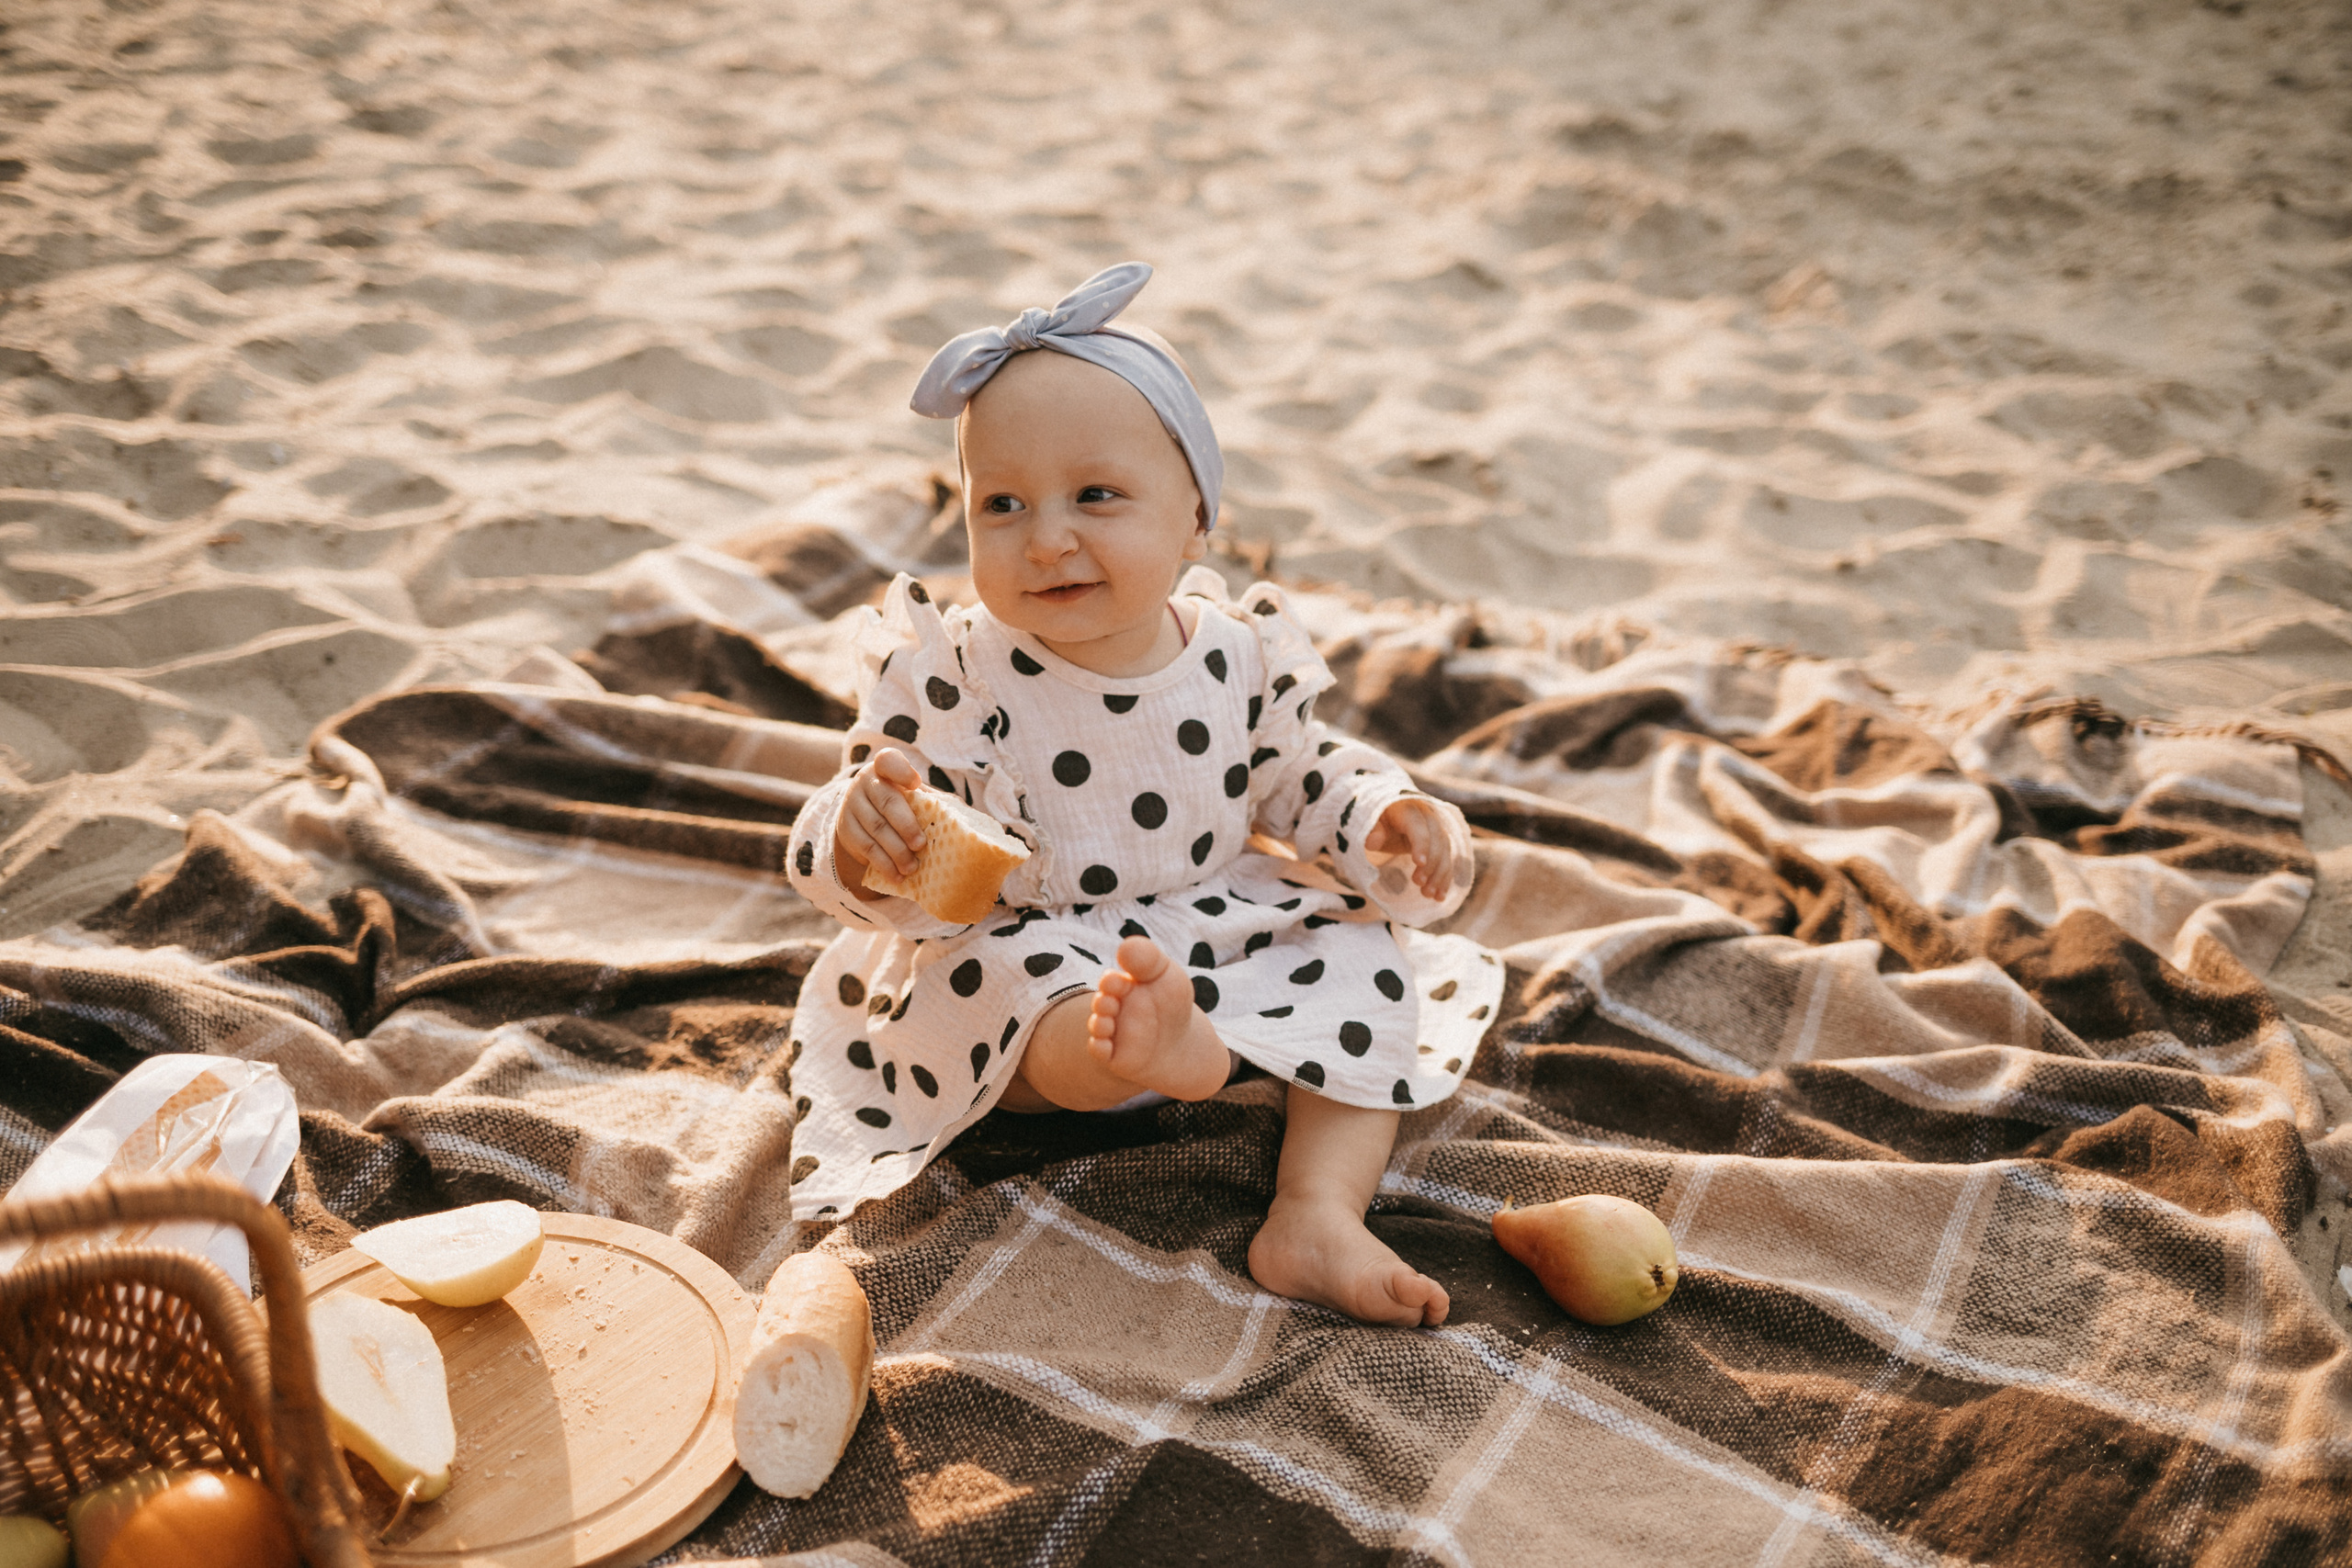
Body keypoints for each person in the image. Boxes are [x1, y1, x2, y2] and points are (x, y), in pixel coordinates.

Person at [783, 263, 1501, 1325]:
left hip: (1217, 915)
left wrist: (1379, 816)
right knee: (1001, 987)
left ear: (1194, 523)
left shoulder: (1236, 654)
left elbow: (1298, 775)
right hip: (1037, 939)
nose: (1046, 538)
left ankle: (1314, 1211)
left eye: (1095, 496)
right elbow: (877, 813)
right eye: (1002, 504)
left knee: (1366, 959)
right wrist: (861, 832)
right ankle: (1119, 1053)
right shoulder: (953, 670)